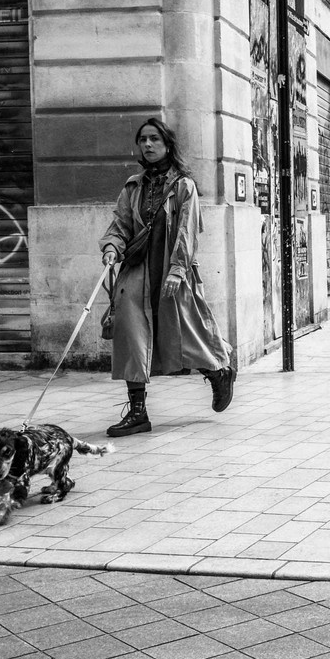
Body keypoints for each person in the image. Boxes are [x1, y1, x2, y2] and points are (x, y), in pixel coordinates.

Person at [100, 118, 236, 437]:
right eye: (143, 140)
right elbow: (120, 225)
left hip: (173, 274)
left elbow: (187, 233)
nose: (147, 145)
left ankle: (218, 372)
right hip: (135, 273)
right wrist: (111, 247)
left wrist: (177, 270)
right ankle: (137, 412)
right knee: (131, 337)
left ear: (167, 145)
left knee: (187, 336)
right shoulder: (133, 186)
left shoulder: (183, 187)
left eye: (154, 139)